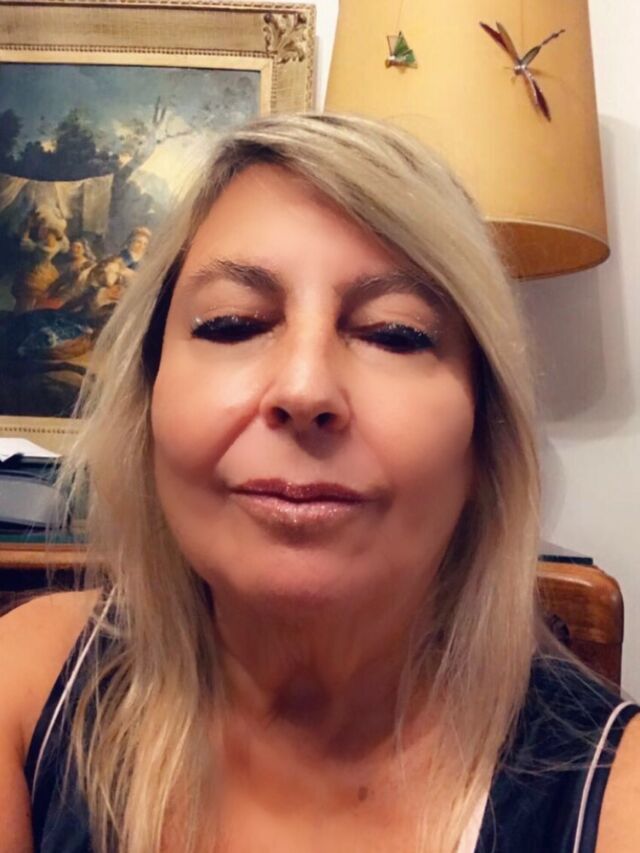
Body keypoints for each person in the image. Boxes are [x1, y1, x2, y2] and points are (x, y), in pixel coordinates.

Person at [1, 113, 638, 853]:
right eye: (233, 323)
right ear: (149, 403)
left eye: (395, 334)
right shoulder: (26, 683)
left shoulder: (617, 799)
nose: (304, 389)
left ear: (482, 441)